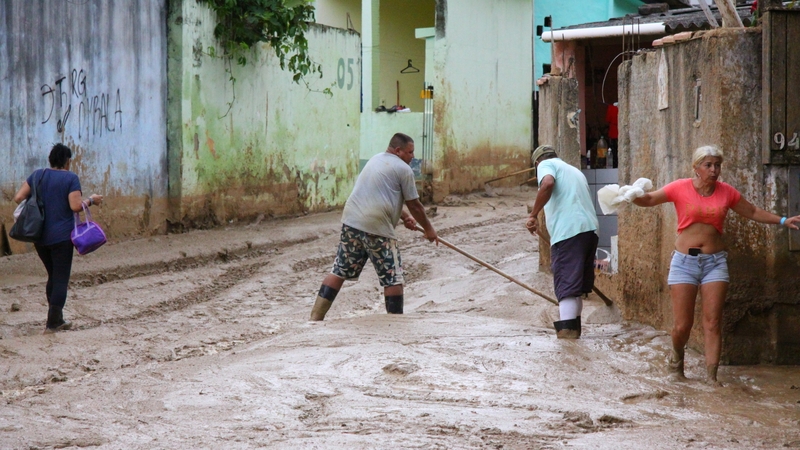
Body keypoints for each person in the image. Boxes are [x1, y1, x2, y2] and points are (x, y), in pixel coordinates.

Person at [631, 145, 800, 384]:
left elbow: (751, 210)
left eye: (717, 165)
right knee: (682, 325)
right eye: (708, 165)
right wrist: (628, 195)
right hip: (683, 262)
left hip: (715, 263)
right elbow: (648, 199)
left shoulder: (726, 192)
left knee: (713, 322)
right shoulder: (680, 187)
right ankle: (677, 359)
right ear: (696, 168)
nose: (714, 170)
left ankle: (712, 377)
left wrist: (783, 220)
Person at [310, 133, 438, 320]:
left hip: (351, 221)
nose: (413, 156)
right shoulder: (404, 169)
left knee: (339, 270)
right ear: (398, 151)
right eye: (410, 152)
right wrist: (429, 229)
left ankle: (315, 318)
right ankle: (395, 322)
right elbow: (415, 205)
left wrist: (403, 217)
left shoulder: (375, 160)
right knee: (392, 276)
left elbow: (379, 194)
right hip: (377, 227)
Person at [13, 143, 103, 333]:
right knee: (61, 278)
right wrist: (92, 200)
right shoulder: (71, 178)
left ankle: (56, 317)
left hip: (39, 236)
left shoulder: (37, 175)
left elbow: (18, 197)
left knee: (53, 276)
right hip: (62, 237)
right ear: (67, 161)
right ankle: (53, 322)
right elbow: (76, 206)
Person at [525, 145, 599, 339]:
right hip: (589, 230)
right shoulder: (574, 171)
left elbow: (547, 184)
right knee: (576, 288)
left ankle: (567, 338)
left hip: (568, 233)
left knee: (566, 286)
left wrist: (533, 214)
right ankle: (574, 334)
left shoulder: (545, 165)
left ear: (537, 163)